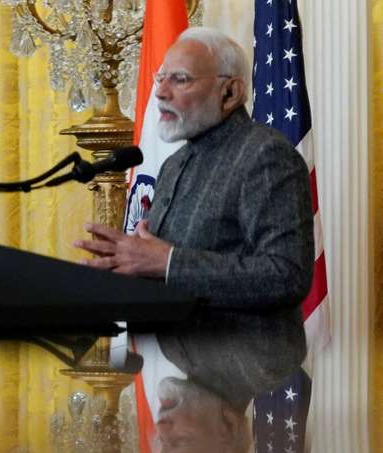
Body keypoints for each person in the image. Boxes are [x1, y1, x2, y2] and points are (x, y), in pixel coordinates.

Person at [74, 27, 314, 395]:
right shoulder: (174, 166)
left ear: (230, 92)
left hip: (247, 378)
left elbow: (285, 275)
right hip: (179, 373)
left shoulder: (265, 156)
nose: (160, 92)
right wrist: (121, 267)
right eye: (160, 78)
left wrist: (167, 262)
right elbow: (160, 271)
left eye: (180, 80)